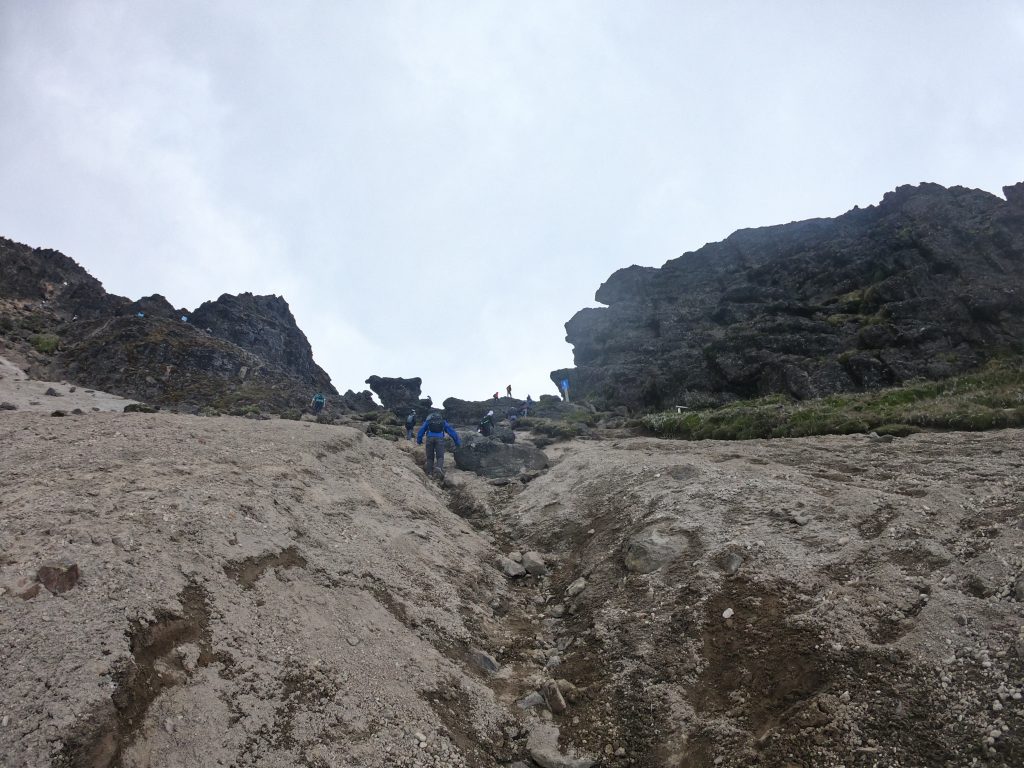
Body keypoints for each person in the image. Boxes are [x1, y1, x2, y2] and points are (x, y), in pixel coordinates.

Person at [417, 412, 461, 480]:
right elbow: (452, 431)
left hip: (429, 439)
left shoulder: (428, 421)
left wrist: (419, 440)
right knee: (440, 456)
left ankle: (429, 473)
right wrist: (457, 442)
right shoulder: (443, 422)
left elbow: (421, 430)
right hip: (440, 439)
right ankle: (438, 468)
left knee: (430, 457)